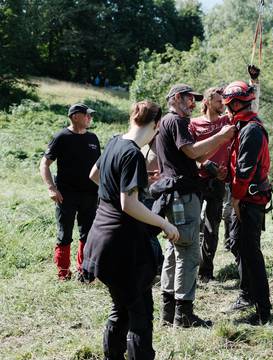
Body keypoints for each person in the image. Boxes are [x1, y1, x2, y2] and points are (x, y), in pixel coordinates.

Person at [82, 100, 179, 359]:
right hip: (123, 247)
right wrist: (163, 223)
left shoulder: (115, 141)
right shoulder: (134, 153)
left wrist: (135, 181)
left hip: (99, 240)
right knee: (140, 313)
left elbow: (94, 174)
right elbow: (129, 204)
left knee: (121, 308)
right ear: (157, 125)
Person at [156, 84, 236, 328]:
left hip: (171, 194)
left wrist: (210, 166)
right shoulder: (178, 122)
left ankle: (167, 312)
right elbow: (190, 151)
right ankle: (184, 314)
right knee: (189, 253)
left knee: (173, 250)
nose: (193, 104)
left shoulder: (164, 123)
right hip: (183, 194)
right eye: (190, 99)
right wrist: (221, 136)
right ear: (178, 98)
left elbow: (192, 156)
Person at [190, 66, 261, 283]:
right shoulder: (194, 124)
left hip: (220, 181)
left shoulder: (227, 121)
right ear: (208, 102)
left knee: (212, 226)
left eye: (225, 102)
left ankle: (206, 272)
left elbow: (250, 107)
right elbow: (189, 151)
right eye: (219, 101)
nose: (224, 105)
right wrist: (206, 164)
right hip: (198, 180)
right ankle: (188, 269)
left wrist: (254, 81)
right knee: (194, 225)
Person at [222, 80, 272, 325]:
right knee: (237, 245)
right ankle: (248, 295)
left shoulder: (251, 129)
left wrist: (236, 198)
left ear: (234, 103)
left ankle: (263, 311)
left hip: (248, 199)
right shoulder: (243, 126)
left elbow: (245, 169)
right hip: (245, 198)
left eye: (227, 106)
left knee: (251, 254)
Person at [39, 103, 101, 281]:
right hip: (66, 195)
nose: (90, 118)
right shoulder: (62, 137)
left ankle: (84, 271)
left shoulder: (93, 138)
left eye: (91, 115)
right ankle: (63, 273)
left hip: (90, 194)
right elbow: (44, 164)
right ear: (75, 116)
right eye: (87, 115)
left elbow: (98, 167)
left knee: (88, 233)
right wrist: (51, 188)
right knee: (64, 234)